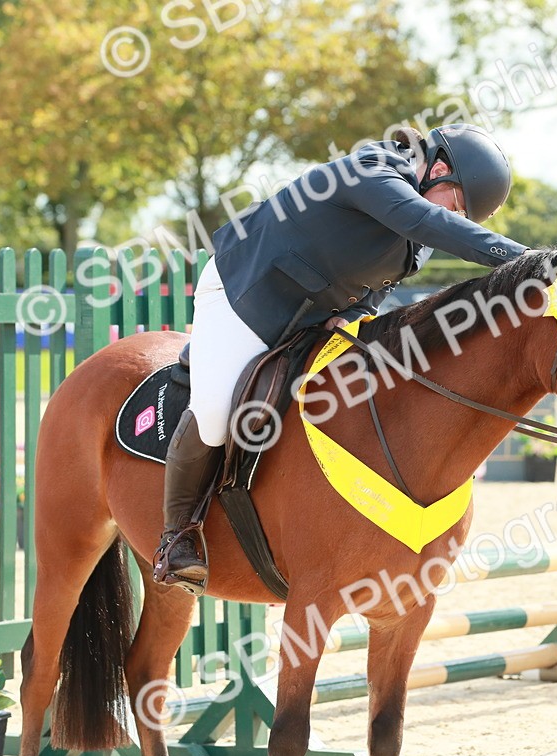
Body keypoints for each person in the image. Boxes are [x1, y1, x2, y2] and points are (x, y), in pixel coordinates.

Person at [154, 123, 529, 591]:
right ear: (436, 168)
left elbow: (377, 283)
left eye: (464, 214)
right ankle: (177, 537)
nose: (455, 216)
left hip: (311, 316)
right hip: (246, 295)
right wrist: (528, 262)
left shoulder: (422, 227)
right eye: (456, 203)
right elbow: (426, 221)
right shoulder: (372, 170)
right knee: (213, 413)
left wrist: (354, 311)